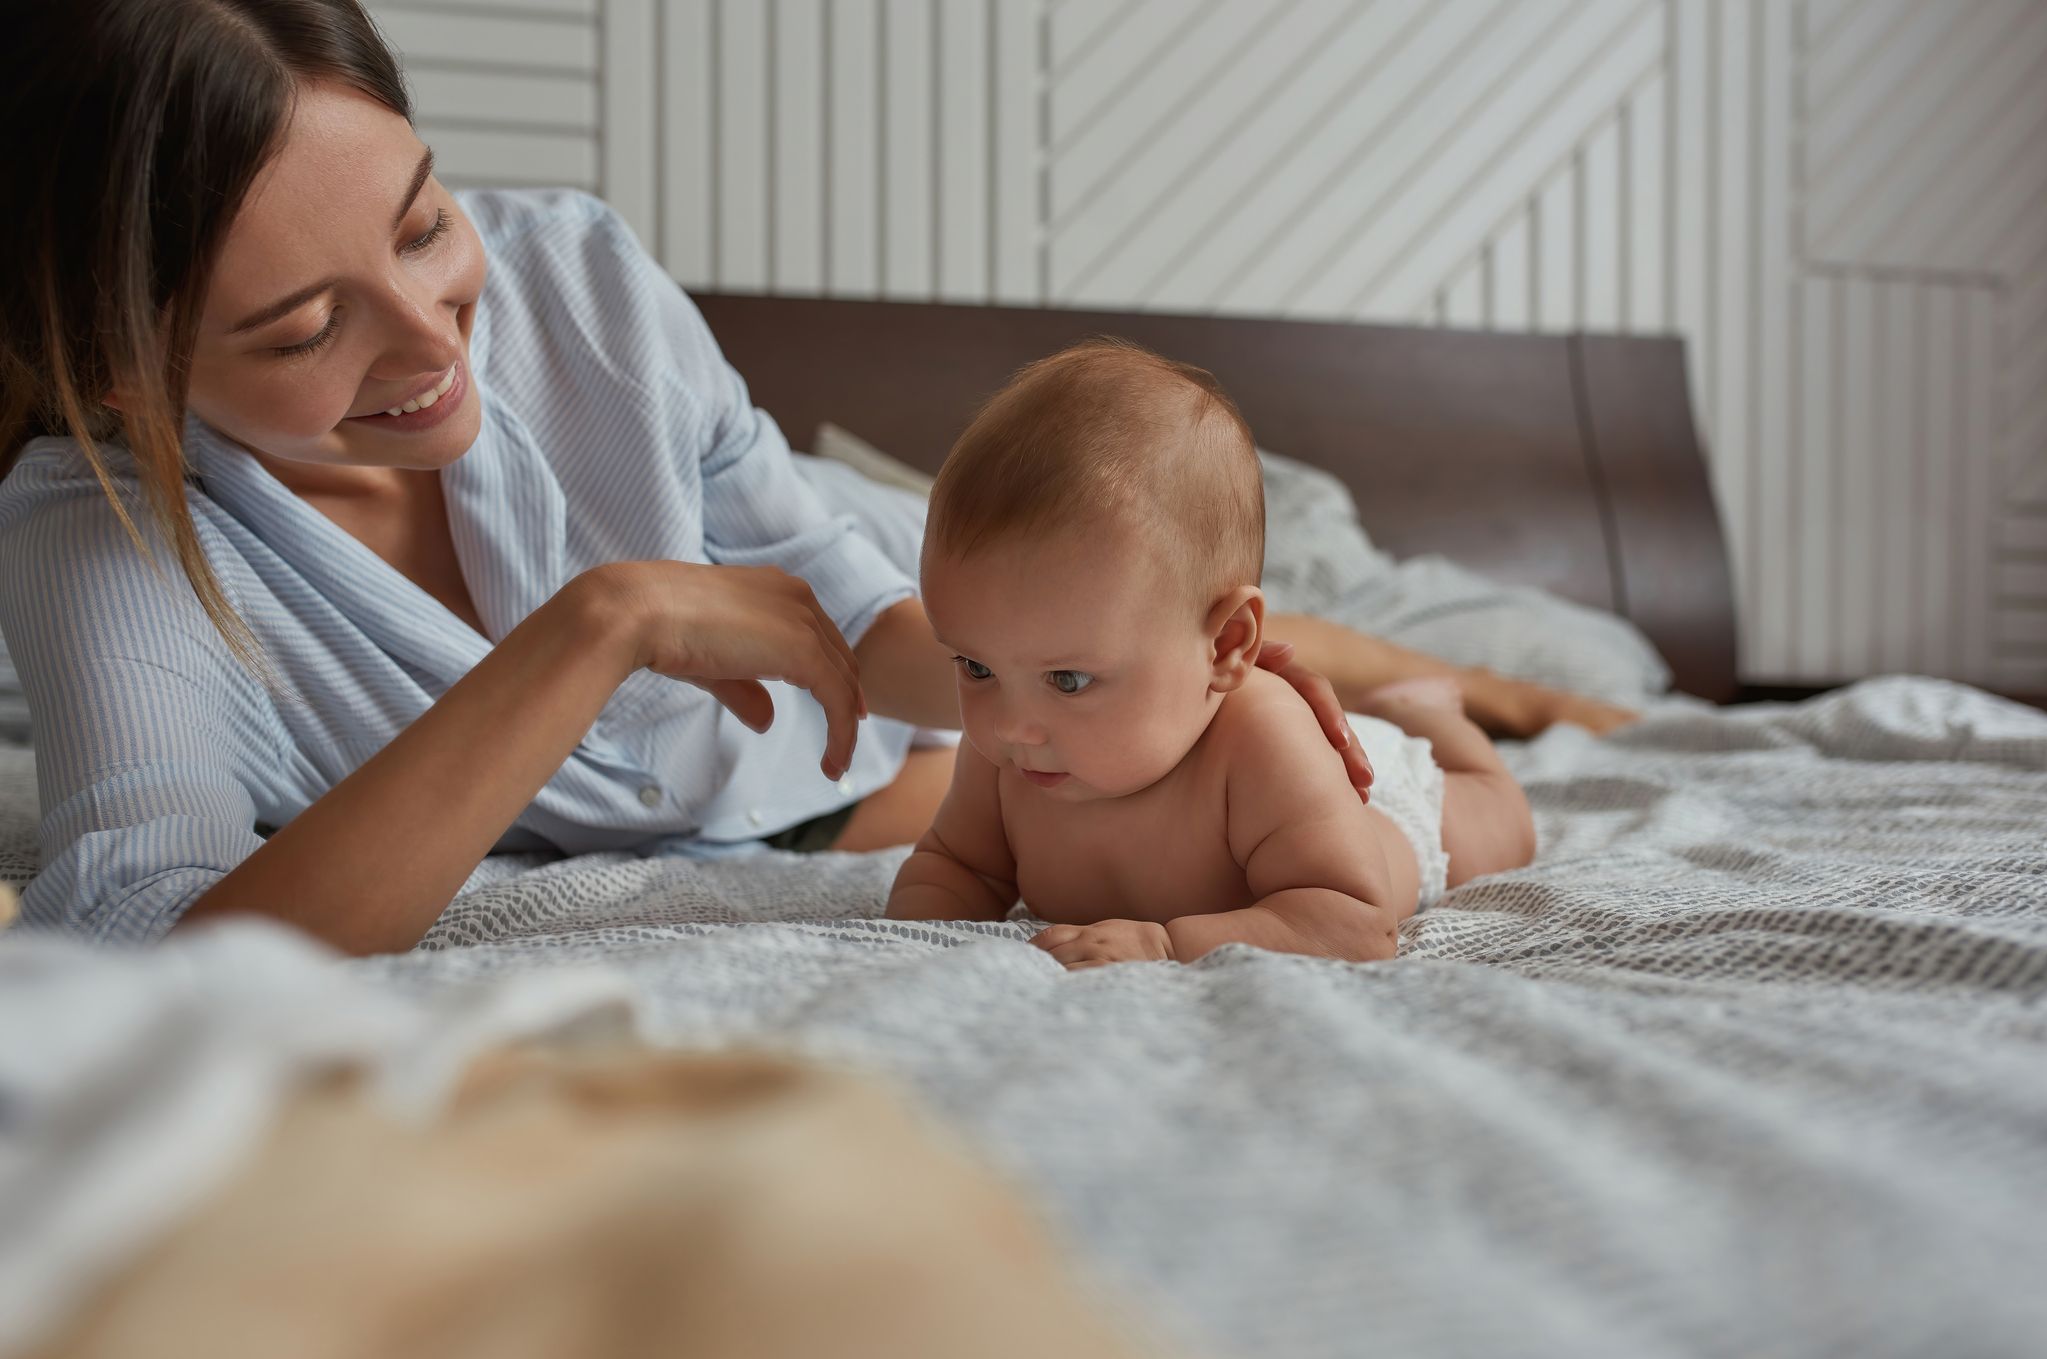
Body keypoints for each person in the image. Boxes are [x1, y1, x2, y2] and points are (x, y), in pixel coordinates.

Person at [1, 0, 1414, 953]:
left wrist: (1204, 681)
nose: (436, 340)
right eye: (308, 326)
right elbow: (153, 947)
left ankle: (1458, 693)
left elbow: (874, 624)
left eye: (424, 226)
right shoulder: (104, 538)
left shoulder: (576, 284)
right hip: (865, 796)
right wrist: (600, 622)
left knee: (1166, 637)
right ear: (124, 372)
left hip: (864, 737)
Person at [887, 342, 1536, 968]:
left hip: (1386, 802)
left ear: (1225, 645)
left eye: (1068, 678)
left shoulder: (1258, 735)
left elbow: (1354, 924)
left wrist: (1169, 945)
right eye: (975, 667)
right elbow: (955, 867)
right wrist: (910, 938)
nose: (1008, 726)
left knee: (1501, 825)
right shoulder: (1010, 746)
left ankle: (1428, 717)